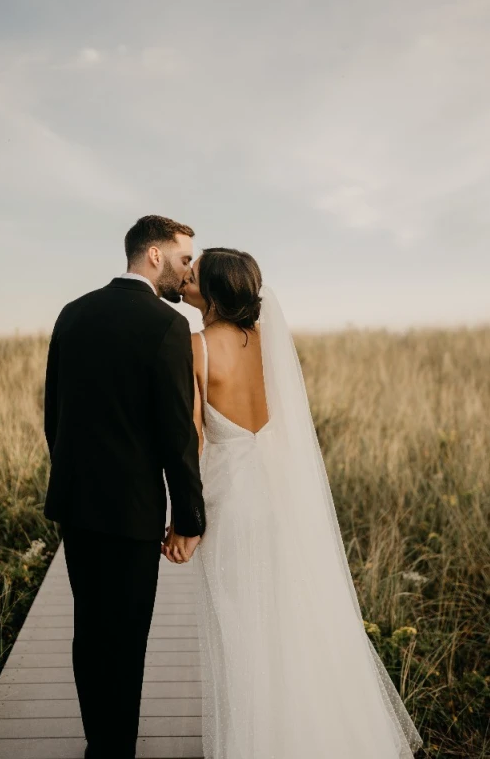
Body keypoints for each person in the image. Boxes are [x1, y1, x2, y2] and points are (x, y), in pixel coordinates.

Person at [164, 247, 423, 758]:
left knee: (239, 627)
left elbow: (192, 441)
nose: (185, 280)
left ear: (212, 293)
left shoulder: (196, 346)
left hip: (230, 501)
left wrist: (183, 521)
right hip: (277, 497)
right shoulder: (270, 343)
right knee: (287, 618)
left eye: (193, 276)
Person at [43, 215, 206, 759]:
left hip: (77, 503)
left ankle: (100, 745)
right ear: (154, 255)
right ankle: (117, 750)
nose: (187, 275)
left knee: (89, 630)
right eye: (184, 260)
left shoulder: (73, 313)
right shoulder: (167, 325)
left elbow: (55, 416)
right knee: (127, 637)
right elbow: (176, 435)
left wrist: (72, 479)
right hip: (134, 511)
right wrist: (188, 519)